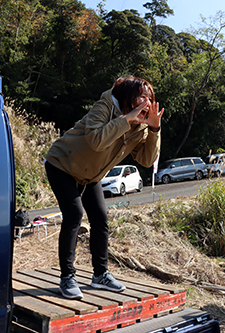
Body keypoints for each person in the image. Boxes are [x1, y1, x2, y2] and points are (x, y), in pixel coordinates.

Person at [45, 76, 164, 300]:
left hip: (91, 175)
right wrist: (127, 119)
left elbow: (147, 160)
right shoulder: (105, 106)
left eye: (150, 98)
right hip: (61, 163)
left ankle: (100, 275)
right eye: (142, 96)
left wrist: (155, 129)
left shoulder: (141, 126)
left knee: (100, 218)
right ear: (128, 97)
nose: (147, 102)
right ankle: (67, 277)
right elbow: (96, 140)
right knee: (74, 215)